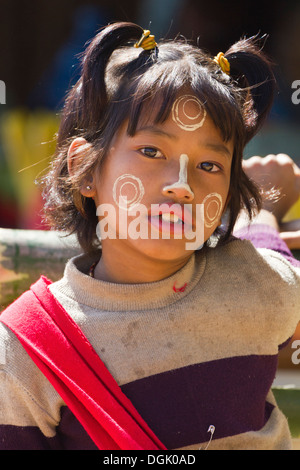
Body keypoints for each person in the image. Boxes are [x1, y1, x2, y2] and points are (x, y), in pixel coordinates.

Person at [0, 22, 299, 451]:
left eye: (210, 166)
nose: (181, 184)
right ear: (86, 169)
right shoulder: (27, 350)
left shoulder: (255, 284)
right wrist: (265, 215)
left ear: (228, 194)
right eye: (152, 152)